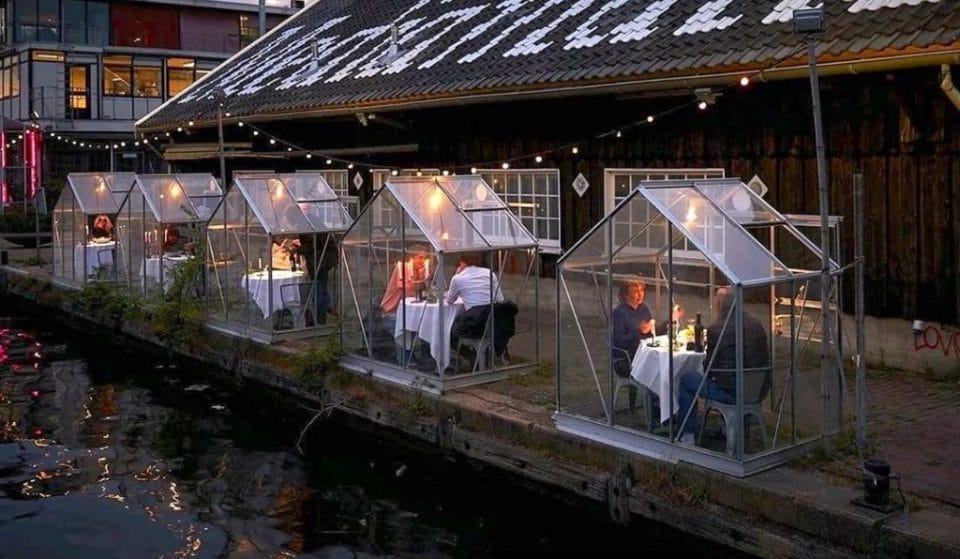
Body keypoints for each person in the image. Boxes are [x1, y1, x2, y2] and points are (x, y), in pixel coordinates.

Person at [675, 286, 770, 444]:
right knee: (730, 375)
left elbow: (710, 367)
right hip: (758, 390)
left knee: (687, 379)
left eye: (716, 302)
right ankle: (728, 428)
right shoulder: (756, 324)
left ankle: (687, 434)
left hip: (732, 393)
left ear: (720, 306)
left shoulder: (717, 329)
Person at [380, 245, 432, 363]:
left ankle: (427, 357)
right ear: (412, 258)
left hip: (409, 311)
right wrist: (424, 283)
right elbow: (408, 293)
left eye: (425, 258)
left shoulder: (421, 269)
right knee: (406, 330)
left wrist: (428, 280)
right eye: (420, 257)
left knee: (428, 322)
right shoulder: (403, 269)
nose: (423, 261)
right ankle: (405, 361)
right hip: (393, 311)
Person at [447, 252, 503, 348]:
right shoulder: (490, 273)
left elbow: (450, 300)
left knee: (448, 330)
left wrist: (457, 274)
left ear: (463, 263)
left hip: (473, 323)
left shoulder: (458, 278)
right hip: (494, 322)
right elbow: (500, 299)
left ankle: (467, 354)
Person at [611, 280, 654, 362]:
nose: (640, 295)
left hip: (644, 352)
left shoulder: (643, 309)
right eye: (636, 292)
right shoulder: (619, 313)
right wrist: (639, 331)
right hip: (627, 357)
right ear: (626, 295)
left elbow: (651, 333)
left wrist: (669, 321)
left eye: (641, 290)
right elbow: (619, 342)